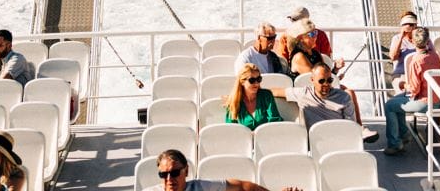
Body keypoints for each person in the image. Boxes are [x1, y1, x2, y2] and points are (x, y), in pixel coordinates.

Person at [271, 63, 377, 142]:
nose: (326, 84)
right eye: (321, 81)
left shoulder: (343, 97)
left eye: (329, 80)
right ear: (312, 80)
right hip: (318, 140)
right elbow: (276, 92)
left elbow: (350, 124)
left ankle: (362, 132)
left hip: (340, 137)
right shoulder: (303, 93)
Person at [384, 26, 440, 155]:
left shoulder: (416, 61)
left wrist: (403, 84)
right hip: (437, 99)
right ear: (427, 41)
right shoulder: (434, 56)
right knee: (396, 101)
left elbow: (414, 90)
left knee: (389, 106)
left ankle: (395, 144)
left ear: (413, 42)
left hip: (425, 102)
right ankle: (404, 134)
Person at [154, 149, 300, 191]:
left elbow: (243, 186)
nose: (169, 179)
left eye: (174, 173)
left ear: (186, 171)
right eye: (163, 174)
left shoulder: (202, 187)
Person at [224, 63, 283, 130]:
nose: (256, 83)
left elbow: (274, 120)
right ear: (242, 82)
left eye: (258, 79)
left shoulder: (267, 96)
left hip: (267, 137)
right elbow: (231, 129)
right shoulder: (233, 101)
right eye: (252, 80)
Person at [387, 12, 418, 90]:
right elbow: (393, 57)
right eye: (405, 24)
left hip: (418, 73)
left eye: (411, 24)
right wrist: (401, 37)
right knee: (402, 86)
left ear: (415, 25)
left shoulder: (421, 38)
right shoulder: (397, 38)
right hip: (402, 73)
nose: (408, 26)